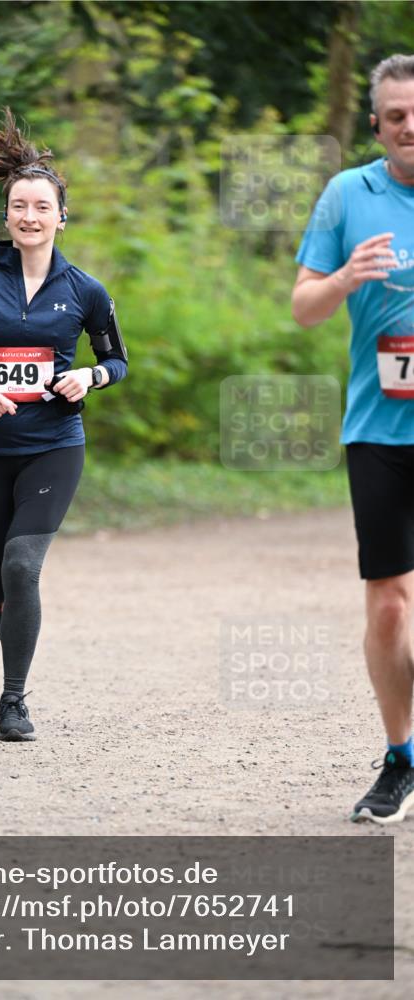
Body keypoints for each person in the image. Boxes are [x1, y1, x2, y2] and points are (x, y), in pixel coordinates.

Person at [0, 108, 128, 742]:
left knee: (22, 566)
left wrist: (89, 378)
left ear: (60, 217)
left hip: (54, 444)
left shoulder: (86, 290)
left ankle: (12, 700)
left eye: (43, 206)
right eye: (20, 205)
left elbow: (117, 360)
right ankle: (13, 622)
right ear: (8, 214)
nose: (30, 216)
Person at [292, 54, 414, 823]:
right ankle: (400, 756)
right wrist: (344, 280)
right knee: (388, 612)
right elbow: (303, 306)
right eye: (395, 115)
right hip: (378, 430)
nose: (409, 126)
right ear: (376, 124)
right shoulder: (347, 194)